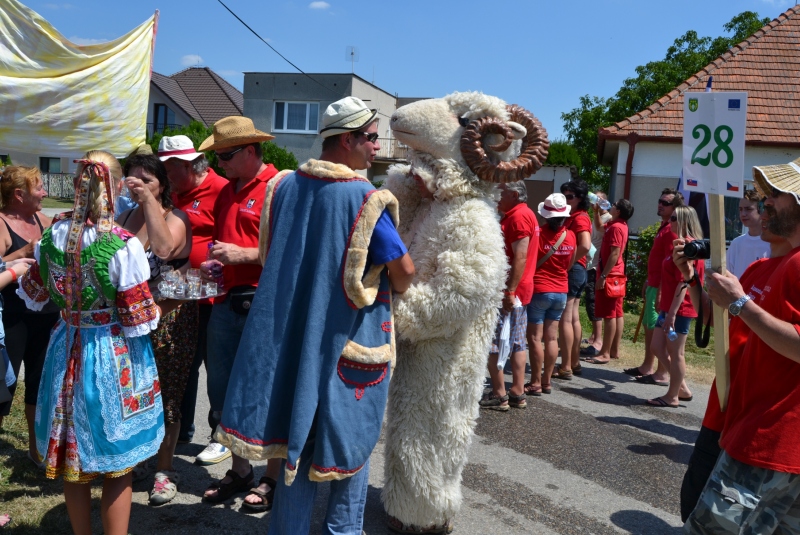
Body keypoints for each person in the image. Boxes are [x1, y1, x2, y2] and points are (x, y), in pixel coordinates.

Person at [214, 96, 414, 534]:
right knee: (348, 445)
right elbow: (403, 275)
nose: (376, 148)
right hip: (347, 341)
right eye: (372, 138)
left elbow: (271, 257)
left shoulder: (281, 187)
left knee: (294, 445)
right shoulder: (367, 198)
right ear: (348, 140)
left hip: (291, 336)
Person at [17, 151, 163, 535]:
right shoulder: (120, 243)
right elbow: (138, 316)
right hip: (109, 353)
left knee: (73, 459)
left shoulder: (52, 235)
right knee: (118, 465)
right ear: (116, 188)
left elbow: (32, 290)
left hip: (65, 346)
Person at [684, 161, 800, 533]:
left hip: (771, 438)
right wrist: (696, 280)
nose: (767, 203)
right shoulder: (778, 265)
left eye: (778, 196)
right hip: (756, 430)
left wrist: (740, 304)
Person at [194, 116, 282, 504]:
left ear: (250, 151)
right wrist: (218, 261)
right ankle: (242, 470)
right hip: (227, 301)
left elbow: (293, 251)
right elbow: (222, 240)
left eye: (225, 155)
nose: (219, 164)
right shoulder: (229, 190)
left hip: (263, 302)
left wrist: (244, 254)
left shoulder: (280, 187)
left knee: (266, 389)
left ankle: (272, 477)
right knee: (223, 389)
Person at [118, 153, 193, 505]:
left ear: (162, 184)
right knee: (136, 394)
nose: (139, 186)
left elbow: (163, 249)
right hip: (132, 322)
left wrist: (148, 199)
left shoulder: (175, 217)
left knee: (169, 398)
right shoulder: (126, 215)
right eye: (133, 180)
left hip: (169, 320)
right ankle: (139, 459)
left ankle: (166, 470)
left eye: (147, 180)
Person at [155, 135, 227, 450]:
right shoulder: (173, 193)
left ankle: (219, 434)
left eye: (170, 170)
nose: (166, 178)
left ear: (188, 165)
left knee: (217, 368)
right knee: (182, 362)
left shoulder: (220, 189)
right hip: (179, 295)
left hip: (212, 298)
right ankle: (180, 429)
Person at [0, 165, 58, 467]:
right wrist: (25, 249)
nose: (45, 193)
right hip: (13, 318)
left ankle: (36, 450)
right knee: (4, 387)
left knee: (39, 382)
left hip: (47, 315)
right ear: (19, 194)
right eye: (39, 187)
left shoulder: (43, 219)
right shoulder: (1, 222)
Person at [480, 180, 539, 411]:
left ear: (514, 194)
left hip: (512, 289)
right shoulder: (524, 213)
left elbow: (520, 256)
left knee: (495, 342)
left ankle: (499, 393)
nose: (496, 194)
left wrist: (510, 290)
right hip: (520, 289)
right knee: (516, 342)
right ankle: (516, 391)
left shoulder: (517, 217)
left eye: (501, 191)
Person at [644, 205, 704, 408]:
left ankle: (672, 395)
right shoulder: (678, 244)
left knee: (675, 352)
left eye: (674, 218)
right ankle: (682, 387)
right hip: (670, 307)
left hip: (680, 309)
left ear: (685, 221)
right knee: (657, 347)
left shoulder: (689, 246)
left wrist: (672, 313)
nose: (669, 221)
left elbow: (684, 283)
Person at [624, 188, 681, 380]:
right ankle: (648, 366)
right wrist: (649, 281)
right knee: (650, 326)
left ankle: (661, 371)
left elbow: (671, 263)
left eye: (666, 203)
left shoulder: (671, 231)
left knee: (656, 329)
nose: (660, 204)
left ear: (675, 208)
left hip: (660, 287)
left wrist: (660, 291)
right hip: (654, 283)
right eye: (660, 201)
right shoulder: (664, 227)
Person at [524, 194, 575, 396]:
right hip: (561, 290)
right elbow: (570, 263)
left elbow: (530, 258)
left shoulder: (539, 233)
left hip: (540, 289)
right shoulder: (570, 236)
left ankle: (535, 382)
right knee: (552, 338)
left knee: (535, 339)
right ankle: (546, 382)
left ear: (545, 215)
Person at [585, 199, 634, 364]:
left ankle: (605, 352)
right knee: (617, 313)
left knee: (609, 314)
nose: (611, 206)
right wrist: (596, 212)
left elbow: (614, 253)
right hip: (616, 274)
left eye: (614, 205)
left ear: (618, 211)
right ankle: (613, 350)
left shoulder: (616, 228)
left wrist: (603, 276)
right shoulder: (617, 225)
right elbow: (599, 228)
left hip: (611, 275)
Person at [557, 179, 592, 378]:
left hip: (574, 270)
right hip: (578, 270)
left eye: (569, 196)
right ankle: (574, 362)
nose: (566, 200)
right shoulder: (577, 215)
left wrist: (569, 262)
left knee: (566, 319)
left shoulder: (579, 217)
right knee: (573, 318)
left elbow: (585, 245)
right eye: (564, 196)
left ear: (580, 198)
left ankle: (566, 366)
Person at [581, 191, 612, 357]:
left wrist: (595, 212)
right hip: (589, 262)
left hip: (595, 265)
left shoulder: (607, 219)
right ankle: (594, 336)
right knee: (589, 301)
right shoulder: (595, 216)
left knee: (593, 302)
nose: (594, 202)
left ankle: (598, 340)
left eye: (597, 200)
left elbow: (600, 233)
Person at [726, 188, 770, 279]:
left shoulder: (772, 243)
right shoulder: (736, 243)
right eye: (740, 209)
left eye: (748, 209)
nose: (743, 214)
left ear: (761, 210)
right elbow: (728, 274)